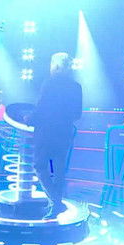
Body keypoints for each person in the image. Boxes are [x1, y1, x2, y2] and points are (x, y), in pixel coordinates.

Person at [31, 52, 83, 217]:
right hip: (64, 134)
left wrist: (29, 119)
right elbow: (77, 114)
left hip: (47, 133)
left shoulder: (50, 83)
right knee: (58, 169)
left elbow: (41, 109)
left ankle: (55, 201)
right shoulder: (76, 87)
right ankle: (55, 203)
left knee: (40, 166)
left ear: (57, 66)